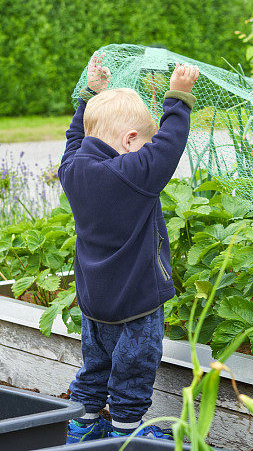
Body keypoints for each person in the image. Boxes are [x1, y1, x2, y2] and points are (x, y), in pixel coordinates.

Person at [58, 53, 199, 443]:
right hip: (136, 304)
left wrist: (89, 96)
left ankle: (80, 428)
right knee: (133, 372)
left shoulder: (72, 171)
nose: (148, 151)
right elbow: (168, 149)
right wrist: (178, 98)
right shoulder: (131, 175)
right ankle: (125, 435)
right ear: (130, 140)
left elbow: (75, 139)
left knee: (96, 369)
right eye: (144, 143)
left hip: (94, 304)